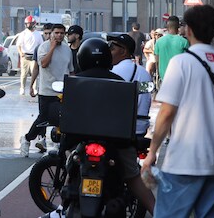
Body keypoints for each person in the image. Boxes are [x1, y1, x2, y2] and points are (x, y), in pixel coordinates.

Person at [141, 4, 214, 217]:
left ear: (189, 30)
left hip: (185, 161)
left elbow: (166, 113)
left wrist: (152, 153)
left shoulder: (182, 63)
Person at [64, 38, 156, 214]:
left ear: (81, 58)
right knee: (133, 177)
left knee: (70, 162)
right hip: (118, 144)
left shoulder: (74, 81)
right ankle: (158, 212)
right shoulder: (121, 83)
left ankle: (62, 208)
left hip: (81, 142)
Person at [22, 23, 72, 156]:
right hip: (46, 90)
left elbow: (71, 70)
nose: (59, 35)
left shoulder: (67, 50)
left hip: (62, 91)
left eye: (62, 33)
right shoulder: (43, 47)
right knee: (43, 119)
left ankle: (58, 144)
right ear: (51, 34)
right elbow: (43, 64)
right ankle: (27, 139)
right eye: (56, 33)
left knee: (62, 119)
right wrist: (52, 48)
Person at [107, 33, 152, 137]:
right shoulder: (144, 73)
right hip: (141, 127)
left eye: (112, 48)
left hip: (120, 129)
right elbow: (145, 99)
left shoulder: (113, 72)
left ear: (123, 51)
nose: (109, 52)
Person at [155, 15, 190, 83]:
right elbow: (187, 61)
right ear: (178, 27)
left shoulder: (159, 42)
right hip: (179, 78)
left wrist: (158, 74)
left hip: (164, 78)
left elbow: (157, 61)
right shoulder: (184, 42)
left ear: (167, 27)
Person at [16, 16, 41, 98]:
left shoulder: (38, 34)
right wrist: (21, 53)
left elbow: (41, 45)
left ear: (34, 24)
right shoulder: (23, 34)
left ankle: (34, 88)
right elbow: (19, 45)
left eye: (30, 23)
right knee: (24, 73)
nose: (28, 25)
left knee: (34, 73)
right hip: (25, 56)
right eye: (27, 24)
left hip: (34, 56)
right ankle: (22, 88)